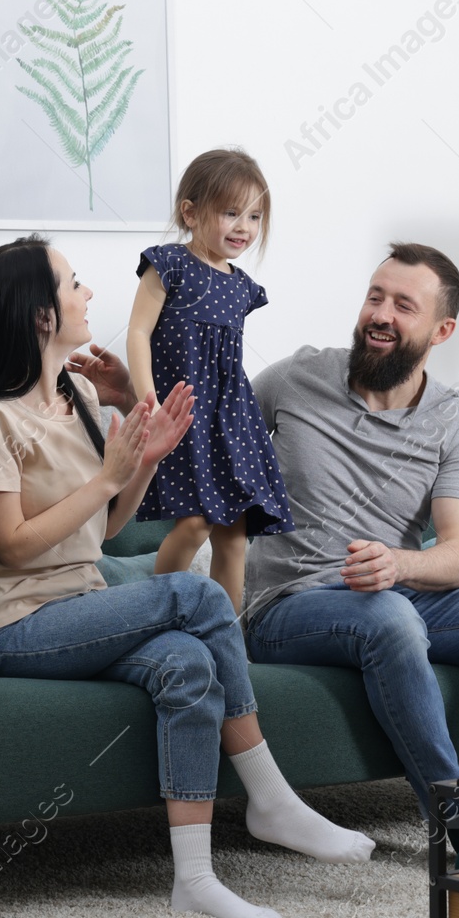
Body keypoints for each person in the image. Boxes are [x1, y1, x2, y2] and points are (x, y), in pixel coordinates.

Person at [0, 235, 374, 918]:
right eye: (74, 284)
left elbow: (108, 530)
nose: (87, 294)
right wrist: (111, 474)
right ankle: (270, 797)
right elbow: (11, 544)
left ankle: (195, 878)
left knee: (189, 662)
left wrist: (142, 458)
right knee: (199, 593)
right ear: (40, 315)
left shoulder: (78, 394)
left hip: (86, 606)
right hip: (20, 624)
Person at [241, 242, 459, 868]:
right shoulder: (297, 376)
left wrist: (399, 565)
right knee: (393, 619)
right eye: (376, 296)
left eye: (404, 305)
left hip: (392, 593)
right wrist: (132, 392)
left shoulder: (457, 420)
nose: (382, 314)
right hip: (287, 609)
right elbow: (214, 429)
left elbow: (455, 557)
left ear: (441, 329)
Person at [116, 148, 293, 618]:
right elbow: (138, 331)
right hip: (183, 412)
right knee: (194, 523)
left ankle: (226, 636)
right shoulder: (168, 264)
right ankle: (157, 615)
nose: (244, 226)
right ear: (190, 213)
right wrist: (147, 397)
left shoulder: (242, 286)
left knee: (233, 534)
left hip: (232, 419)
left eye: (254, 216)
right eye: (231, 212)